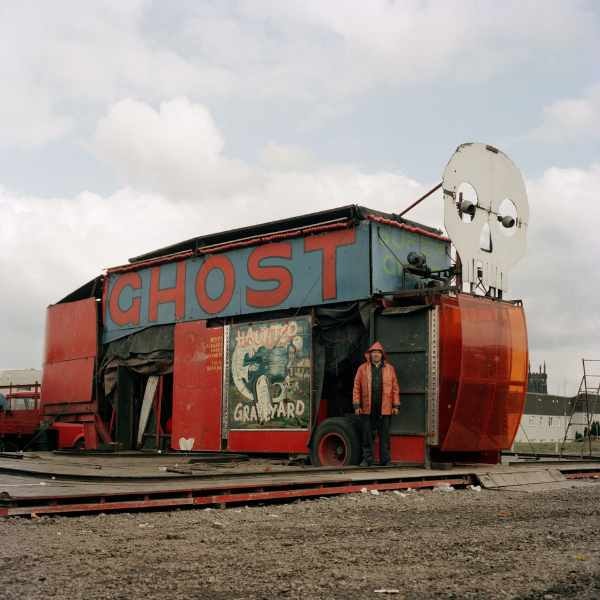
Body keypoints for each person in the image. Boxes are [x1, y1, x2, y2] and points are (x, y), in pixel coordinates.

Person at [352, 341, 400, 466]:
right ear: (370, 355)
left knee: (385, 436)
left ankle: (386, 460)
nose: (376, 355)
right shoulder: (362, 369)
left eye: (378, 352)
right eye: (373, 352)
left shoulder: (390, 369)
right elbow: (356, 387)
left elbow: (395, 388)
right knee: (367, 435)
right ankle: (367, 460)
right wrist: (357, 405)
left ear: (382, 355)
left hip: (385, 408)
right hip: (367, 408)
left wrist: (395, 405)